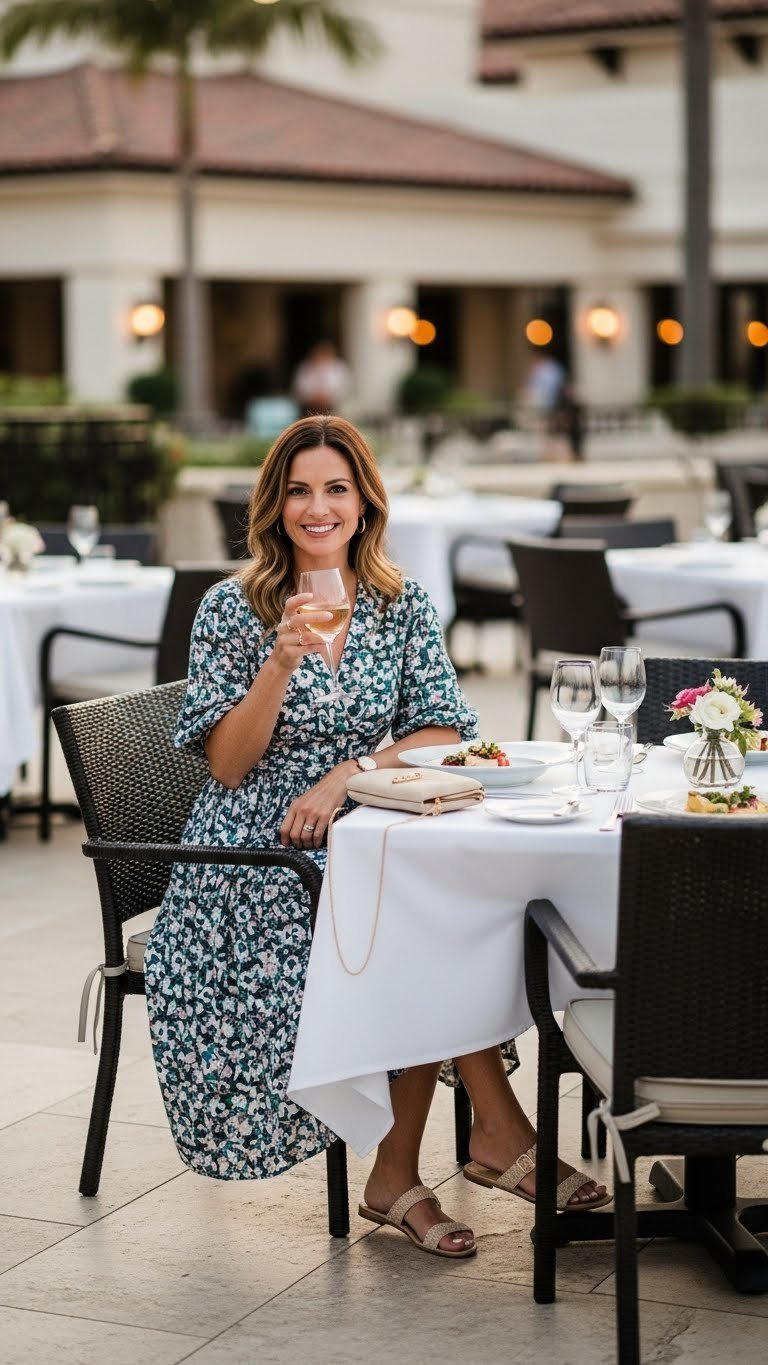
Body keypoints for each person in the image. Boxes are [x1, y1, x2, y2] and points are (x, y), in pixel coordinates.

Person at [144, 415, 607, 1261]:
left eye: (335, 489)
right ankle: (485, 1138)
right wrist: (277, 665)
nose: (316, 508)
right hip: (254, 854)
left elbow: (443, 726)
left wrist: (346, 771)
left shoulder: (398, 601)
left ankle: (417, 1167)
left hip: (361, 820)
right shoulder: (232, 607)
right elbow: (227, 766)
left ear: (363, 504)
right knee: (412, 924)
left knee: (446, 907)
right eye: (298, 491)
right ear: (275, 506)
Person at [292, 341, 351, 415]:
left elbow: (345, 387)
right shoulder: (305, 368)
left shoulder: (339, 368)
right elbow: (299, 389)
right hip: (310, 409)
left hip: (333, 407)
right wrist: (314, 397)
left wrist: (328, 397)